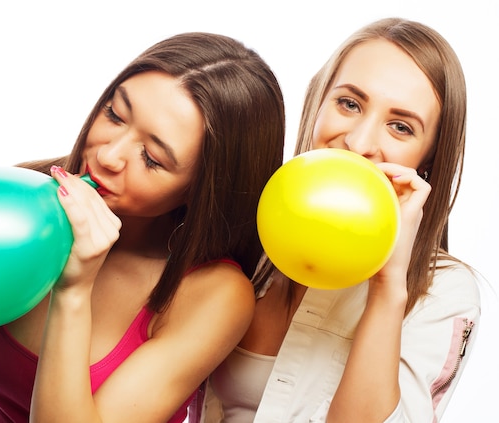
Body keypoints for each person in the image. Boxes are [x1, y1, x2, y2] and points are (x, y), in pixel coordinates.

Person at [0, 32, 285, 422]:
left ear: (202, 189)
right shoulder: (24, 203)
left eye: (152, 158)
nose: (108, 155)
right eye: (114, 114)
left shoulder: (213, 294)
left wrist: (74, 290)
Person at [195, 18, 482, 422]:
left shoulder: (444, 292)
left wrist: (387, 288)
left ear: (429, 157)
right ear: (318, 102)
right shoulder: (246, 232)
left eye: (400, 127)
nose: (359, 143)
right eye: (349, 103)